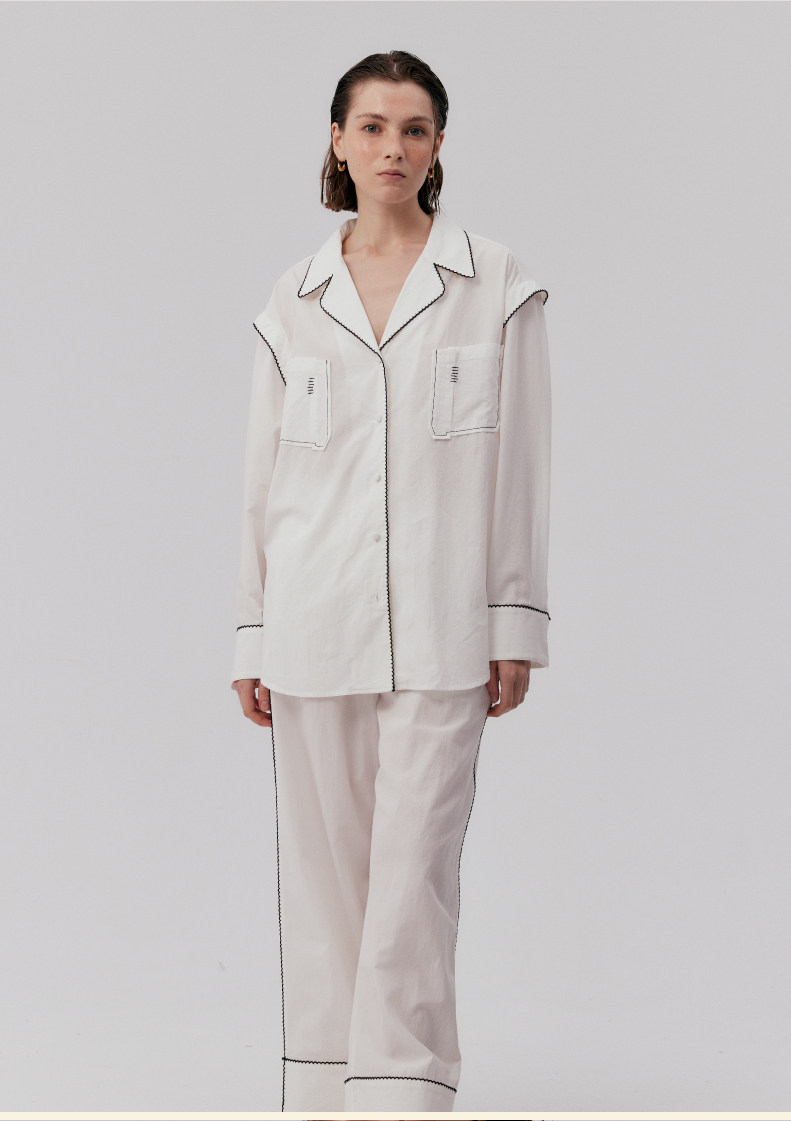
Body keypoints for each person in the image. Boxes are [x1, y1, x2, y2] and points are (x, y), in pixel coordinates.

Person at [230, 49, 552, 1114]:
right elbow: (265, 478)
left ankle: (400, 1098)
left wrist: (513, 618)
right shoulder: (292, 298)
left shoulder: (494, 282)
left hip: (443, 622)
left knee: (412, 876)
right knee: (325, 883)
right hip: (310, 623)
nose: (391, 148)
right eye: (371, 127)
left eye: (413, 129)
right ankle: (324, 1097)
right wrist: (252, 630)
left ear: (438, 145)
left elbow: (520, 461)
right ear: (337, 139)